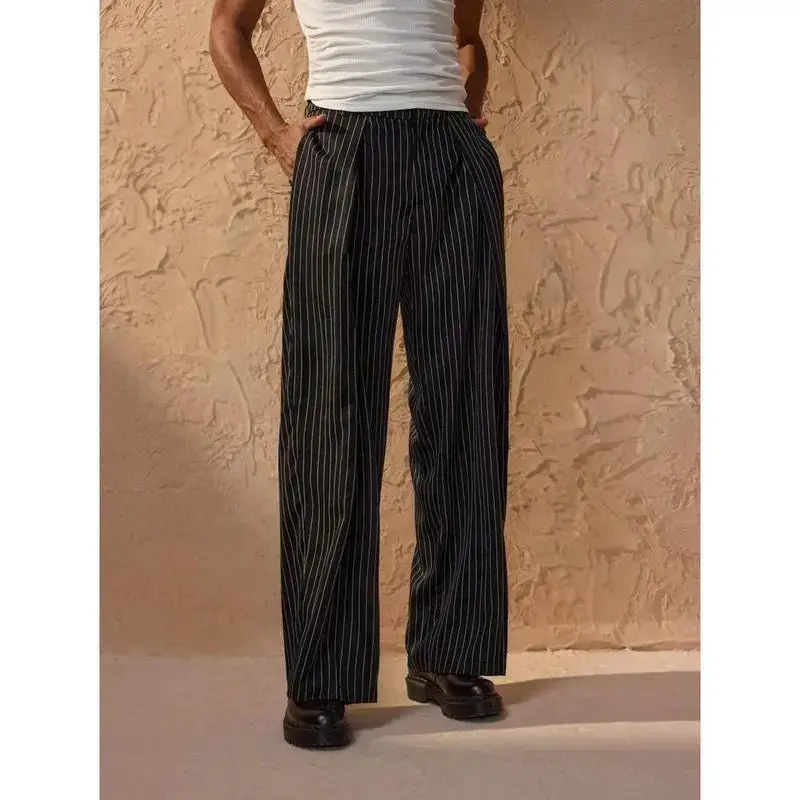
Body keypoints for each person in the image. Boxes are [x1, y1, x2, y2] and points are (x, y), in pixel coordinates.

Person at [209, 0, 509, 749]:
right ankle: (322, 674)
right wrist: (276, 134)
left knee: (464, 403)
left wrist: (465, 119)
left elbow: (467, 38)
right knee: (331, 415)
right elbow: (227, 29)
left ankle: (450, 654)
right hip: (341, 147)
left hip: (451, 156)